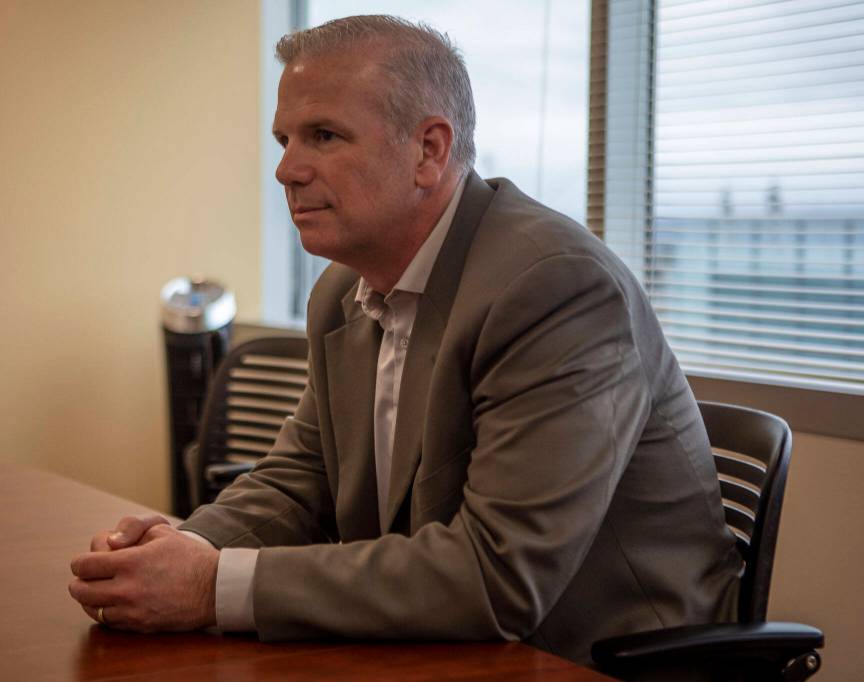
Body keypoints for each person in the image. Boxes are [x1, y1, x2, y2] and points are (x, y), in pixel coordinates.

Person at [69, 15, 741, 664]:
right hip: (437, 648)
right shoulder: (342, 292)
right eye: (285, 140)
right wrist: (182, 549)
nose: (287, 170)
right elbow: (301, 480)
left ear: (429, 150)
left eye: (324, 136)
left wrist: (213, 588)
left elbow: (498, 577)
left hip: (592, 659)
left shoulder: (555, 288)